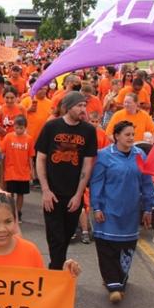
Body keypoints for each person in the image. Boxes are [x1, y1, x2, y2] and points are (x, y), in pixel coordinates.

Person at [89, 120, 154, 303]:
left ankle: (119, 281)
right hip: (108, 211)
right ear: (116, 136)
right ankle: (113, 284)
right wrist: (96, 207)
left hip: (130, 212)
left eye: (132, 135)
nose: (130, 138)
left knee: (126, 248)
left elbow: (146, 183)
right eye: (127, 135)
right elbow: (97, 183)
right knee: (107, 248)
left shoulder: (139, 155)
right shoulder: (104, 156)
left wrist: (149, 207)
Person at [35, 91, 98, 270]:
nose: (83, 109)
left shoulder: (88, 131)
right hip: (52, 193)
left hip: (73, 195)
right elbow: (40, 159)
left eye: (84, 106)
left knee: (68, 233)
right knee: (56, 237)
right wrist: (45, 190)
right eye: (79, 106)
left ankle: (57, 266)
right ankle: (56, 271)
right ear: (68, 107)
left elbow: (87, 164)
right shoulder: (51, 127)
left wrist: (79, 195)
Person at [0, 192, 82, 276]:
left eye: (8, 221)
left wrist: (64, 278)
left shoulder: (30, 252)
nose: (2, 229)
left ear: (15, 220)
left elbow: (42, 295)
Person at [0, 115, 35, 222]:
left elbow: (31, 156)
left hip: (23, 172)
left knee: (20, 194)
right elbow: (1, 149)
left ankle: (18, 212)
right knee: (10, 193)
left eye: (21, 128)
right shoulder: (9, 137)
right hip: (10, 171)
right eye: (17, 127)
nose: (19, 130)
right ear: (14, 127)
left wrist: (32, 171)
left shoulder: (29, 139)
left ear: (25, 127)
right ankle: (11, 211)